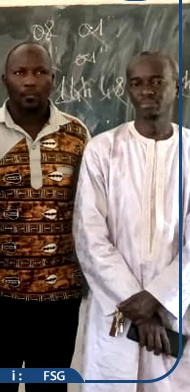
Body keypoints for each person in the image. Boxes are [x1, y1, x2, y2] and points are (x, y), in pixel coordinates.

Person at [0, 42, 89, 391]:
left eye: (39, 72)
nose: (30, 81)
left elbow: (87, 211)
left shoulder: (77, 135)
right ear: (5, 80)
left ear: (53, 78)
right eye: (20, 73)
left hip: (59, 296)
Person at [74, 51, 189, 391]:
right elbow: (90, 237)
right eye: (137, 83)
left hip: (175, 314)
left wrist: (157, 298)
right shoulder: (102, 150)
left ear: (177, 87)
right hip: (118, 312)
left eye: (157, 81)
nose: (147, 90)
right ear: (128, 90)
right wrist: (138, 305)